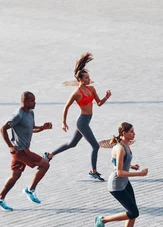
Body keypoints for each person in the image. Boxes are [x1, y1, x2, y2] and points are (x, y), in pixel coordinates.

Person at [44, 52, 112, 181]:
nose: (88, 79)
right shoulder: (76, 93)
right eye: (86, 78)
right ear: (79, 79)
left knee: (72, 144)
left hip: (87, 120)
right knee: (95, 146)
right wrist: (63, 122)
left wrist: (106, 97)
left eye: (89, 77)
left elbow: (98, 103)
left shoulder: (92, 89)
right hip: (82, 122)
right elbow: (66, 107)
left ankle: (50, 155)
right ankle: (94, 171)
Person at [0, 92, 52, 211]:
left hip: (22, 151)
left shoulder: (30, 113)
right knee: (45, 164)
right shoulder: (18, 115)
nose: (35, 103)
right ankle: (30, 190)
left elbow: (32, 129)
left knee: (15, 176)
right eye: (32, 101)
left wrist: (42, 127)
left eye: (34, 100)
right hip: (21, 151)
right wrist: (10, 146)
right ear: (25, 102)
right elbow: (3, 129)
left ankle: (0, 198)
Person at [94, 122, 148, 227]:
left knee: (133, 212)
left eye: (133, 131)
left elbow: (119, 162)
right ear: (124, 133)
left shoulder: (126, 145)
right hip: (116, 186)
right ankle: (103, 220)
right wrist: (139, 174)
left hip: (124, 183)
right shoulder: (120, 148)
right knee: (133, 212)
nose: (134, 134)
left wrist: (131, 166)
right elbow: (119, 172)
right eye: (131, 132)